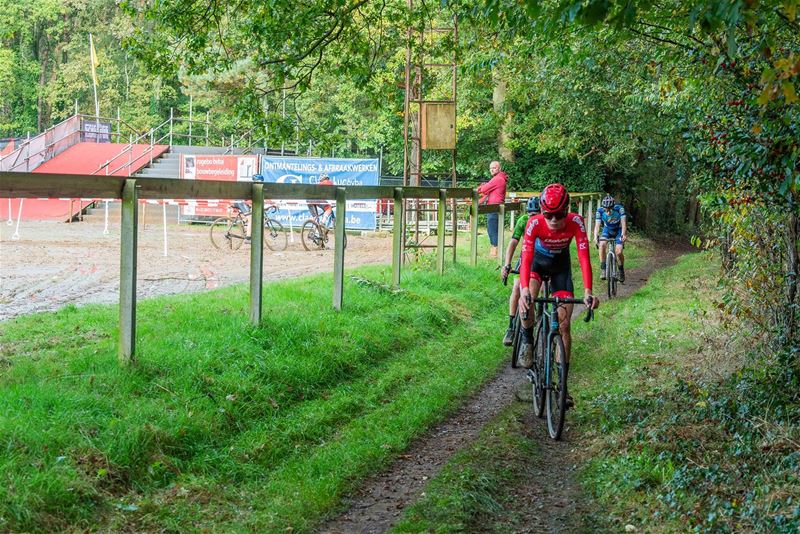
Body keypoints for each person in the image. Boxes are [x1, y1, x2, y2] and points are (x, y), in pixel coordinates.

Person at [517, 183, 599, 405]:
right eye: (548, 215)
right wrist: (524, 290)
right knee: (527, 302)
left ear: (567, 210)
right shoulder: (534, 223)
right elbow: (526, 258)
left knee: (564, 326)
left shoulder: (576, 222)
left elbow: (583, 257)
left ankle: (563, 387)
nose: (554, 220)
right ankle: (527, 340)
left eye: (559, 214)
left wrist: (588, 291)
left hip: (561, 269)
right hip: (537, 265)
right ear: (542, 212)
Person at [501, 196, 542, 346]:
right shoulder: (523, 221)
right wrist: (507, 264)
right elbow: (513, 242)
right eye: (530, 214)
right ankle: (511, 326)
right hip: (526, 256)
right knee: (516, 287)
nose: (532, 218)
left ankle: (540, 313)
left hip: (543, 258)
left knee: (542, 287)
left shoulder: (545, 222)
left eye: (536, 214)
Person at [593, 194, 628, 283]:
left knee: (619, 252)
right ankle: (603, 269)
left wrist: (623, 234)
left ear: (613, 207)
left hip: (618, 230)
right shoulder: (599, 211)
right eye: (606, 210)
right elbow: (597, 226)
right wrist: (595, 236)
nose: (608, 212)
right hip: (607, 230)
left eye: (610, 210)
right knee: (602, 245)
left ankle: (621, 270)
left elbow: (624, 223)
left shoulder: (619, 209)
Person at [477, 160, 508, 258]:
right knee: (496, 229)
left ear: (499, 168)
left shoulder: (497, 179)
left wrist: (480, 187)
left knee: (492, 229)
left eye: (494, 168)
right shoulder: (500, 178)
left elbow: (483, 189)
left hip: (494, 207)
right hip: (497, 207)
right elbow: (487, 191)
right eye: (490, 168)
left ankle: (494, 252)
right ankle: (497, 251)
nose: (492, 170)